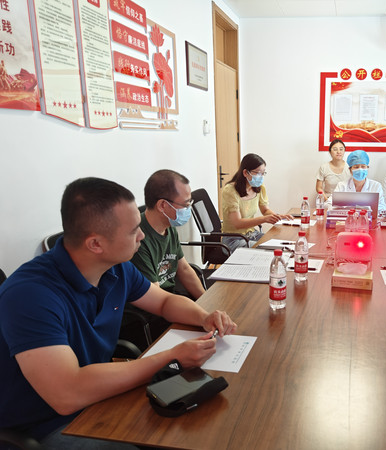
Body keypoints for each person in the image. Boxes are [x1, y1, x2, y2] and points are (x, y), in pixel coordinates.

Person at [0, 178, 237, 447]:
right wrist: (171, 357)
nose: (142, 236)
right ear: (95, 244)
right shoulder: (30, 295)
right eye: (133, 230)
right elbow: (67, 394)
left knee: (197, 423)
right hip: (45, 423)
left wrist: (204, 316)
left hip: (99, 395)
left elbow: (164, 302)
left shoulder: (115, 267)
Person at [131, 170, 205, 299]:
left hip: (169, 297)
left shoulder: (168, 226)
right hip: (151, 306)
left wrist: (206, 300)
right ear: (163, 205)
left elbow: (184, 269)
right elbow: (155, 298)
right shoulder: (138, 239)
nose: (188, 209)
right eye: (186, 204)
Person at [221, 153, 292, 250]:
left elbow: (265, 210)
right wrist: (264, 219)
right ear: (245, 172)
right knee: (270, 250)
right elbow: (237, 223)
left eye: (263, 173)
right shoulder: (230, 191)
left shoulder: (259, 188)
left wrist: (277, 217)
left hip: (252, 234)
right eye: (258, 173)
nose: (261, 176)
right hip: (234, 239)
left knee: (281, 244)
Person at [324, 149, 386, 214]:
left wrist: (364, 210)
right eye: (356, 167)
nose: (360, 169)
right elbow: (327, 204)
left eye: (363, 166)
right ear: (350, 170)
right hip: (347, 218)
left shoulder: (376, 186)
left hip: (368, 218)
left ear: (367, 168)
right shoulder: (342, 185)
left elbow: (382, 207)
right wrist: (341, 209)